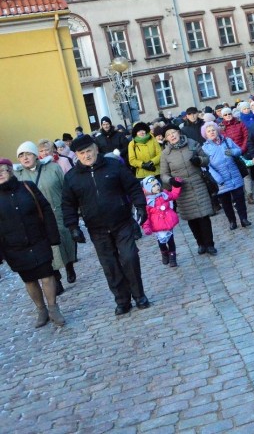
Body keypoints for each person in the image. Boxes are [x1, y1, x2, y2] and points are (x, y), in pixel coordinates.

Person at [62, 135, 150, 316]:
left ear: (95, 149)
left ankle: (139, 295)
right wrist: (73, 227)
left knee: (130, 258)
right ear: (76, 155)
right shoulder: (72, 177)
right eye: (82, 153)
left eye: (89, 151)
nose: (87, 155)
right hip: (97, 229)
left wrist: (140, 206)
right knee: (110, 265)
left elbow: (132, 187)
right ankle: (122, 300)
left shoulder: (114, 166)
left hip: (122, 222)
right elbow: (68, 204)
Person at [0, 158, 66, 328]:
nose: (0, 174)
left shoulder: (27, 187)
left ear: (10, 171)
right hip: (14, 247)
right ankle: (41, 310)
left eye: (3, 170)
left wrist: (53, 236)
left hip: (38, 240)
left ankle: (53, 308)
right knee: (29, 280)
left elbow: (45, 209)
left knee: (47, 274)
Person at [15, 141, 78, 287]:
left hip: (58, 213)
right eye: (21, 155)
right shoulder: (18, 176)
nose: (25, 158)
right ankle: (56, 279)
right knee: (47, 249)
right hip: (37, 219)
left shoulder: (53, 168)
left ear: (36, 155)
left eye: (28, 154)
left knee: (65, 242)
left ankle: (69, 266)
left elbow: (65, 189)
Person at [160, 124, 218, 256]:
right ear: (166, 139)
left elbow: (206, 159)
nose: (172, 136)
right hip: (182, 190)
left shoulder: (192, 144)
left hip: (198, 183)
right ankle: (200, 243)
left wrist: (199, 160)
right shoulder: (165, 154)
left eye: (173, 132)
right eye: (169, 135)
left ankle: (210, 244)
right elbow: (163, 174)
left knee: (204, 216)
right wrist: (171, 180)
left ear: (179, 132)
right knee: (192, 218)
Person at [202, 121, 251, 230]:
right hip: (220, 179)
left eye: (213, 130)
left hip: (234, 174)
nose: (212, 132)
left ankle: (244, 219)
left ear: (217, 130)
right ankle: (232, 221)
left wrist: (233, 152)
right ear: (205, 134)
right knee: (226, 202)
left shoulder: (227, 141)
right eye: (209, 131)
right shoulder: (205, 148)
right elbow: (206, 166)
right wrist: (217, 178)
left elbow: (239, 150)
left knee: (240, 198)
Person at [141, 175, 182, 268]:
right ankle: (164, 253)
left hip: (168, 222)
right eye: (154, 186)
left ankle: (172, 258)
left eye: (157, 185)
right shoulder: (147, 202)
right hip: (157, 225)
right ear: (148, 189)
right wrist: (146, 226)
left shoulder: (164, 194)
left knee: (171, 241)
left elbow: (174, 195)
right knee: (162, 242)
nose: (157, 187)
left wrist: (177, 185)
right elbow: (146, 216)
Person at [220, 106, 254, 204]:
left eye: (229, 114)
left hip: (242, 152)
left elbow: (246, 136)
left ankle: (249, 195)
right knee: (236, 176)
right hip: (230, 155)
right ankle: (239, 197)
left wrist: (242, 149)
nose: (228, 116)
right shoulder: (221, 127)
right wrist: (230, 152)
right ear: (223, 116)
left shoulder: (240, 123)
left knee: (247, 174)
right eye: (225, 115)